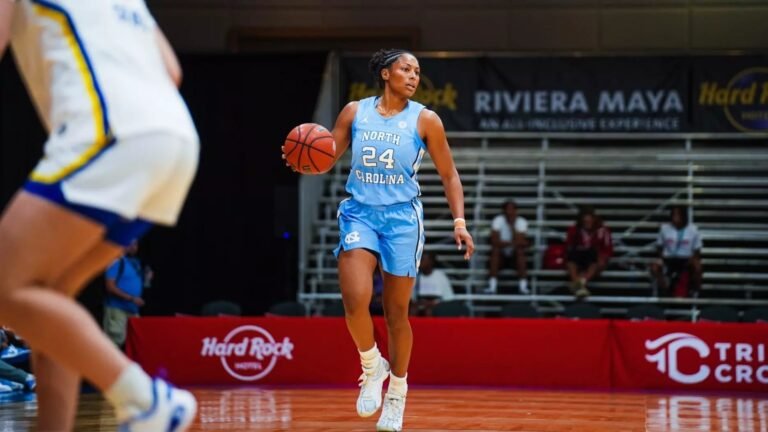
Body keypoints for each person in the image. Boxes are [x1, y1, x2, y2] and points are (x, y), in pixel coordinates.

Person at [0, 1, 198, 430]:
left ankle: (144, 398)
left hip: (110, 134)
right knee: (49, 300)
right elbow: (171, 70)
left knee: (4, 286)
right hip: (174, 139)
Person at [286, 49, 474, 431]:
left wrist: (459, 221)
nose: (413, 76)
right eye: (406, 69)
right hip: (360, 213)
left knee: (395, 314)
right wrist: (302, 155)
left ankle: (397, 394)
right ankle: (372, 366)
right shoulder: (355, 112)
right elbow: (328, 154)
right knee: (355, 301)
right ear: (386, 73)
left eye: (418, 71)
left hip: (403, 220)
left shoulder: (426, 120)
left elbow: (449, 175)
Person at [104, 240, 152, 348]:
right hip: (117, 309)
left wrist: (147, 280)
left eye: (136, 243)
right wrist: (131, 298)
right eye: (130, 242)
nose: (133, 246)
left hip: (133, 311)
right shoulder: (115, 261)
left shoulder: (136, 263)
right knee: (113, 343)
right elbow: (110, 287)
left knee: (133, 345)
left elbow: (137, 285)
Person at [650, 206, 703, 297]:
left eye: (678, 215)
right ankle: (665, 288)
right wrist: (662, 258)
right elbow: (659, 246)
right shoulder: (664, 228)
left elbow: (697, 250)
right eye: (674, 215)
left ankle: (695, 290)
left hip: (685, 259)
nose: (676, 217)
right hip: (668, 258)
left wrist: (693, 259)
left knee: (698, 267)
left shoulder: (693, 229)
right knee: (654, 267)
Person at [565, 206, 613, 298]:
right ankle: (580, 285)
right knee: (571, 259)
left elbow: (607, 250)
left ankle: (578, 284)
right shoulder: (574, 230)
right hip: (579, 258)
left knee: (595, 258)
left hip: (595, 258)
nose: (588, 224)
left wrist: (602, 258)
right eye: (585, 222)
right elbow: (569, 248)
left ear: (594, 220)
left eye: (590, 221)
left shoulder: (603, 230)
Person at [486, 200, 529, 294]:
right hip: (501, 254)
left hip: (514, 255)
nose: (510, 212)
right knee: (495, 251)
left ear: (516, 211)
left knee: (520, 251)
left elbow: (521, 242)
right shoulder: (498, 220)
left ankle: (523, 287)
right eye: (508, 209)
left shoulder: (521, 222)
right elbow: (494, 241)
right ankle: (492, 287)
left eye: (512, 209)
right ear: (503, 211)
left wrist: (512, 226)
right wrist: (512, 243)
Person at [412, 252, 454, 316]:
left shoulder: (440, 276)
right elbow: (413, 299)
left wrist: (433, 304)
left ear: (431, 261)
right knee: (413, 310)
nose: (419, 262)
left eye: (422, 259)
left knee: (429, 311)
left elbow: (448, 298)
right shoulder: (416, 277)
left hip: (437, 306)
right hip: (420, 305)